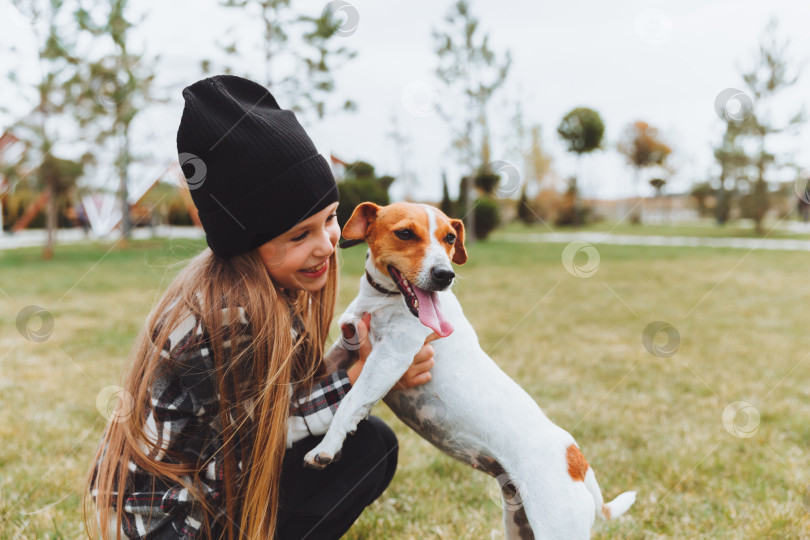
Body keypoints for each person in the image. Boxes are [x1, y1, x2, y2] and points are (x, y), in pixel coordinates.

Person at [84, 74, 438, 539]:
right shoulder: (225, 317)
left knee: (370, 445)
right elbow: (275, 429)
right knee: (370, 444)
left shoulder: (268, 290)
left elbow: (287, 394)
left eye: (329, 219)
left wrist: (362, 356)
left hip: (216, 492)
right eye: (299, 235)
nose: (326, 244)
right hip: (173, 525)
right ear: (248, 245)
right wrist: (361, 378)